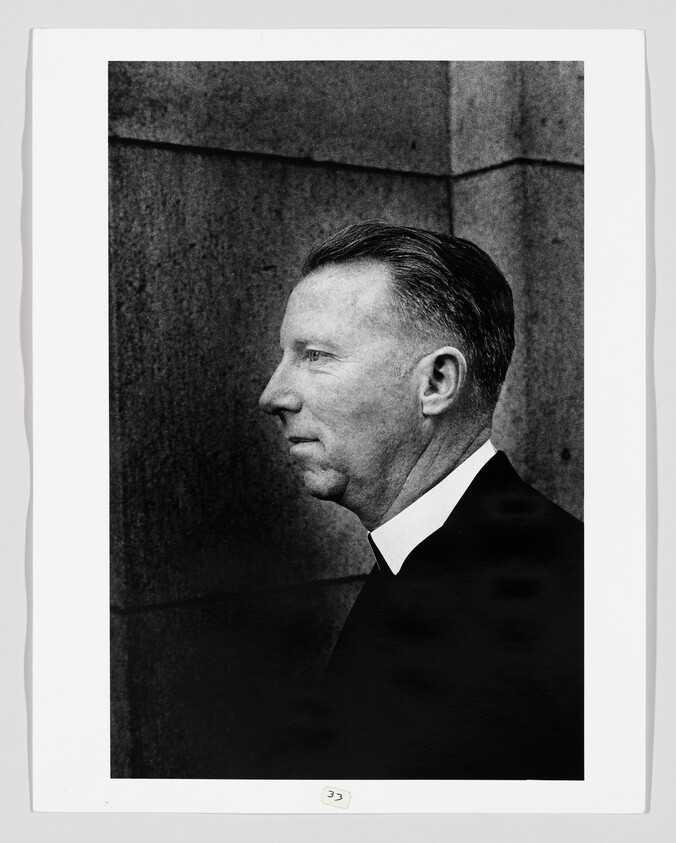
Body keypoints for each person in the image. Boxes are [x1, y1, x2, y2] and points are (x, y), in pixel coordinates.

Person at [258, 221, 583, 780]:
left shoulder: (521, 610)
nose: (274, 394)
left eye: (315, 355)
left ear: (436, 382)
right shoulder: (457, 556)